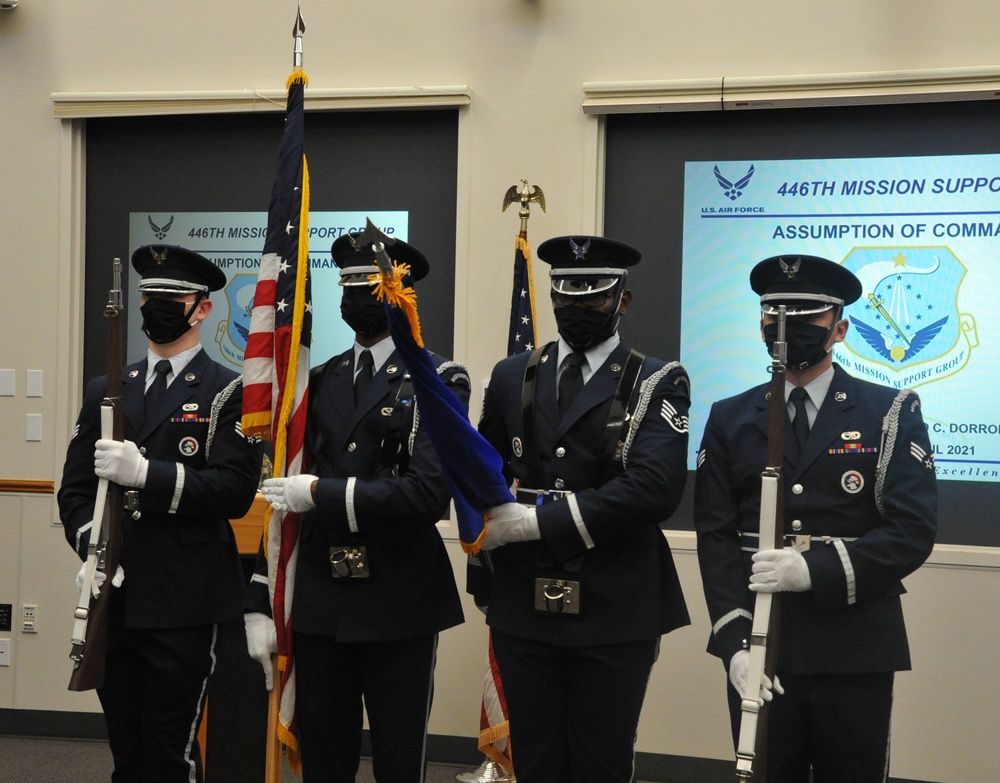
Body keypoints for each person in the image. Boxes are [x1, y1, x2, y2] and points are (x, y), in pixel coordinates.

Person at [694, 254, 938, 782]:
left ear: (840, 328)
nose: (787, 330)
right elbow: (714, 536)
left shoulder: (889, 411)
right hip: (761, 644)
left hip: (854, 646)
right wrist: (734, 644)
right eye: (774, 317)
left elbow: (912, 531)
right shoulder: (730, 416)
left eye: (805, 318)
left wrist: (814, 570)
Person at [244, 233, 468, 783]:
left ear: (400, 291)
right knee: (323, 759)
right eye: (346, 286)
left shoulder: (439, 379)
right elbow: (283, 492)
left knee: (398, 758)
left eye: (368, 286)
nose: (355, 300)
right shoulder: (319, 381)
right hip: (323, 596)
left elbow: (427, 493)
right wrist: (259, 591)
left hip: (398, 595)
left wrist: (323, 493)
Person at [471, 235, 691, 783]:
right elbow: (482, 471)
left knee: (601, 762)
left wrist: (536, 520)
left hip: (613, 603)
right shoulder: (511, 375)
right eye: (565, 296)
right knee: (537, 760)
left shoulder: (658, 381)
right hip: (524, 599)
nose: (577, 308)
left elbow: (654, 489)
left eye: (593, 296)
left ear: (624, 300)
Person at [58, 244, 264, 783]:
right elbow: (75, 492)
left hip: (185, 599)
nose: (157, 307)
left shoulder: (231, 390)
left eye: (173, 298)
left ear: (203, 309)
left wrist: (148, 474)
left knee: (170, 754)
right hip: (117, 597)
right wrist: (92, 547)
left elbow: (233, 491)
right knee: (126, 752)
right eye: (150, 296)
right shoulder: (107, 389)